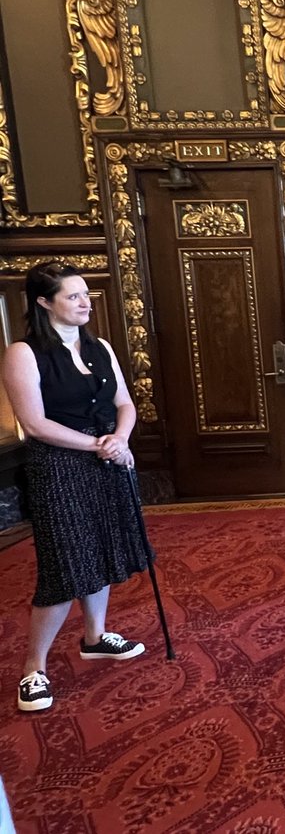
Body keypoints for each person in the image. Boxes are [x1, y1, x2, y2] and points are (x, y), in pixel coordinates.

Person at [2, 262, 150, 712]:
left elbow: (124, 402)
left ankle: (94, 636)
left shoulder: (100, 346)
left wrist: (119, 439)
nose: (85, 302)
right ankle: (34, 668)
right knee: (65, 566)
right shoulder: (23, 354)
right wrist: (98, 445)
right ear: (44, 302)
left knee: (102, 551)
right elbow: (34, 423)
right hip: (60, 468)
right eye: (74, 296)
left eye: (87, 294)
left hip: (108, 461)